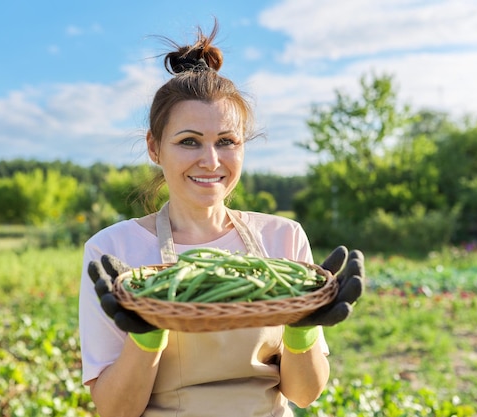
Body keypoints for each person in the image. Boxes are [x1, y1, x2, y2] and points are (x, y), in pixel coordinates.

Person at [78, 21, 365, 417]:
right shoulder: (113, 252)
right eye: (189, 141)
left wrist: (302, 328)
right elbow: (114, 410)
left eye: (226, 142)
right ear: (154, 147)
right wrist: (144, 338)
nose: (211, 161)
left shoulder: (284, 238)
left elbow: (303, 394)